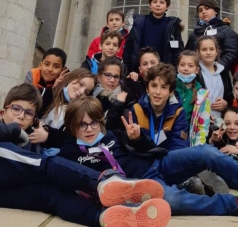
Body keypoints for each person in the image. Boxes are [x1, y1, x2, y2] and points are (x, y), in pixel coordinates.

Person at [59, 65, 238, 218]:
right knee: (171, 200)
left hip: (161, 161)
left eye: (93, 123)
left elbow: (150, 147)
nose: (89, 129)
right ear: (72, 125)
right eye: (82, 124)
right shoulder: (72, 148)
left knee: (207, 152)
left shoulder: (111, 134)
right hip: (143, 183)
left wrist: (137, 137)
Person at [0, 85, 170, 227]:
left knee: (51, 195)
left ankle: (105, 217)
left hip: (8, 189)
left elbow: (61, 138)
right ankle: (103, 181)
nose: (21, 115)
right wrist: (14, 130)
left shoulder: (30, 139)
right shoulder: (10, 137)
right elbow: (50, 160)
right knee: (45, 165)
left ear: (33, 118)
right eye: (15, 109)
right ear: (2, 112)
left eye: (28, 113)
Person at [28, 69, 96, 148]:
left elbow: (70, 140)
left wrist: (48, 136)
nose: (81, 91)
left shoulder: (79, 114)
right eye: (80, 84)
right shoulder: (44, 94)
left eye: (86, 92)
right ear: (71, 78)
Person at [123, 0, 184, 73]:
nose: (158, 5)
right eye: (155, 2)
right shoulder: (139, 23)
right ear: (150, 5)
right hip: (140, 71)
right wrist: (128, 70)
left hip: (164, 72)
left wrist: (175, 72)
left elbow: (178, 51)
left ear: (167, 6)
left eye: (162, 2)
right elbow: (129, 47)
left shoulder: (172, 26)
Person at [185, 0, 238, 71]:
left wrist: (215, 68)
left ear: (216, 11)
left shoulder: (227, 31)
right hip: (196, 75)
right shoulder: (194, 34)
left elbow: (231, 54)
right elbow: (187, 53)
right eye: (200, 10)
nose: (203, 12)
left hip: (217, 75)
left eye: (207, 8)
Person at [94, 56, 135, 130]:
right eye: (108, 75)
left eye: (116, 77)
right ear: (99, 77)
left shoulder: (126, 96)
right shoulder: (92, 97)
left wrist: (119, 103)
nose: (112, 80)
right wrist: (118, 103)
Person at [24, 47, 69, 115]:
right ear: (40, 65)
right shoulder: (32, 75)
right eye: (47, 64)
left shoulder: (64, 84)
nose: (50, 69)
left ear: (62, 70)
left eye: (56, 67)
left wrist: (56, 88)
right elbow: (27, 100)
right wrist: (51, 90)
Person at [197, 36, 233, 118]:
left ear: (216, 52)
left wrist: (226, 103)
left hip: (220, 121)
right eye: (204, 49)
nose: (208, 52)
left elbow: (230, 96)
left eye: (211, 49)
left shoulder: (223, 72)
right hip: (201, 121)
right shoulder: (196, 73)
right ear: (198, 52)